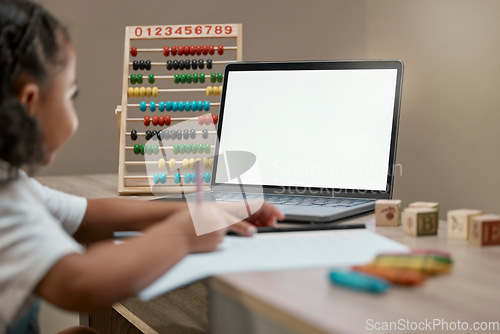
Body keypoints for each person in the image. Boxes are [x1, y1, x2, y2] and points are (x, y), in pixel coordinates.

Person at [0, 1, 284, 333]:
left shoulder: (13, 186)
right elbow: (79, 283)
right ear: (29, 102)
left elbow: (86, 217)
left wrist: (208, 210)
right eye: (70, 94)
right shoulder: (7, 203)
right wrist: (182, 235)